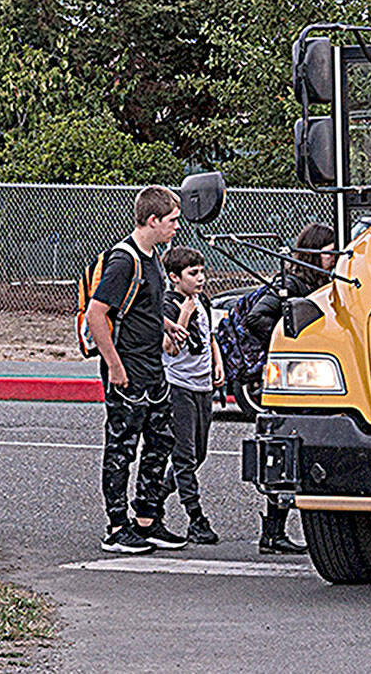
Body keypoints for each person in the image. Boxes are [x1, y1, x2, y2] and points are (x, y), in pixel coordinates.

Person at [86, 185, 187, 555]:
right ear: (153, 220)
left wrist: (164, 324)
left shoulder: (153, 257)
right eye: (172, 220)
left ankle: (147, 518)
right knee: (121, 448)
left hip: (153, 367)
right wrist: (114, 365)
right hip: (127, 370)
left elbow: (141, 305)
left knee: (161, 440)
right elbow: (97, 314)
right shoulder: (123, 260)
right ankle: (116, 527)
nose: (177, 226)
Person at [244, 221, 337, 555]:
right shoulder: (291, 283)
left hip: (316, 377)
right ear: (313, 251)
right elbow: (255, 318)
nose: (333, 258)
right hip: (296, 377)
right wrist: (290, 342)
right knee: (284, 455)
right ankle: (272, 533)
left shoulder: (325, 282)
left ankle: (276, 533)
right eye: (328, 252)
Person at [158, 246, 224, 545]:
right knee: (184, 456)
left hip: (202, 386)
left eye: (202, 272)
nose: (201, 279)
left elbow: (209, 335)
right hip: (179, 385)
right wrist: (183, 316)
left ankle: (153, 498)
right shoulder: (169, 306)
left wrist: (217, 361)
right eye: (193, 273)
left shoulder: (203, 302)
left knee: (198, 454)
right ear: (174, 277)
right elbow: (170, 348)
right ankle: (196, 519)